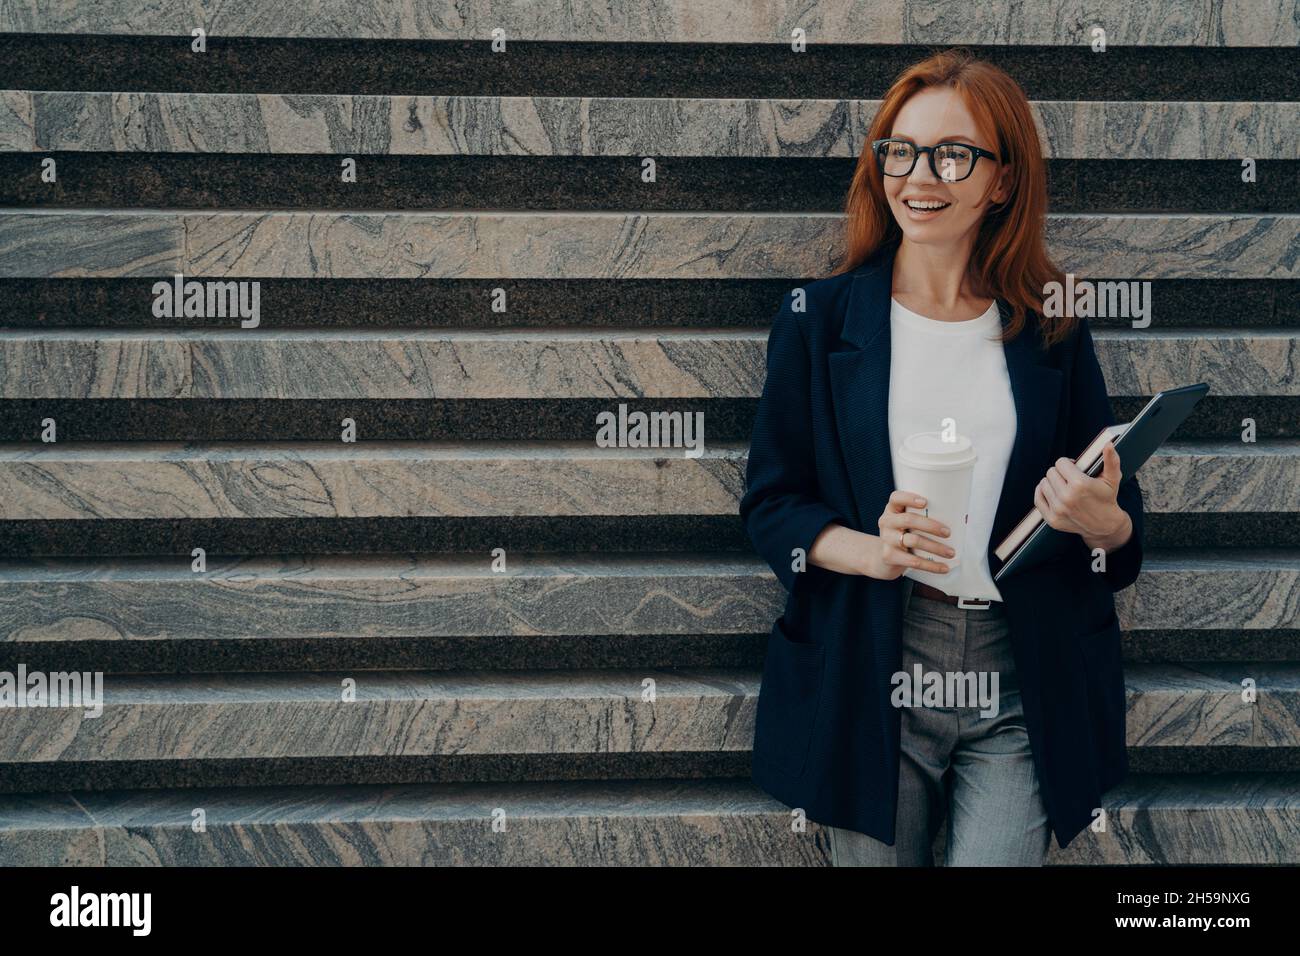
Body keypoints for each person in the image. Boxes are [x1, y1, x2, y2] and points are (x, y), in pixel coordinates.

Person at [739, 49, 1143, 866]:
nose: (920, 176)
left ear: (1002, 180)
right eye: (901, 149)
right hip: (872, 664)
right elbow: (771, 503)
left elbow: (1123, 538)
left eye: (952, 153)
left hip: (1019, 670)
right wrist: (870, 550)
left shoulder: (1052, 329)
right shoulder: (818, 321)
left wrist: (1105, 525)